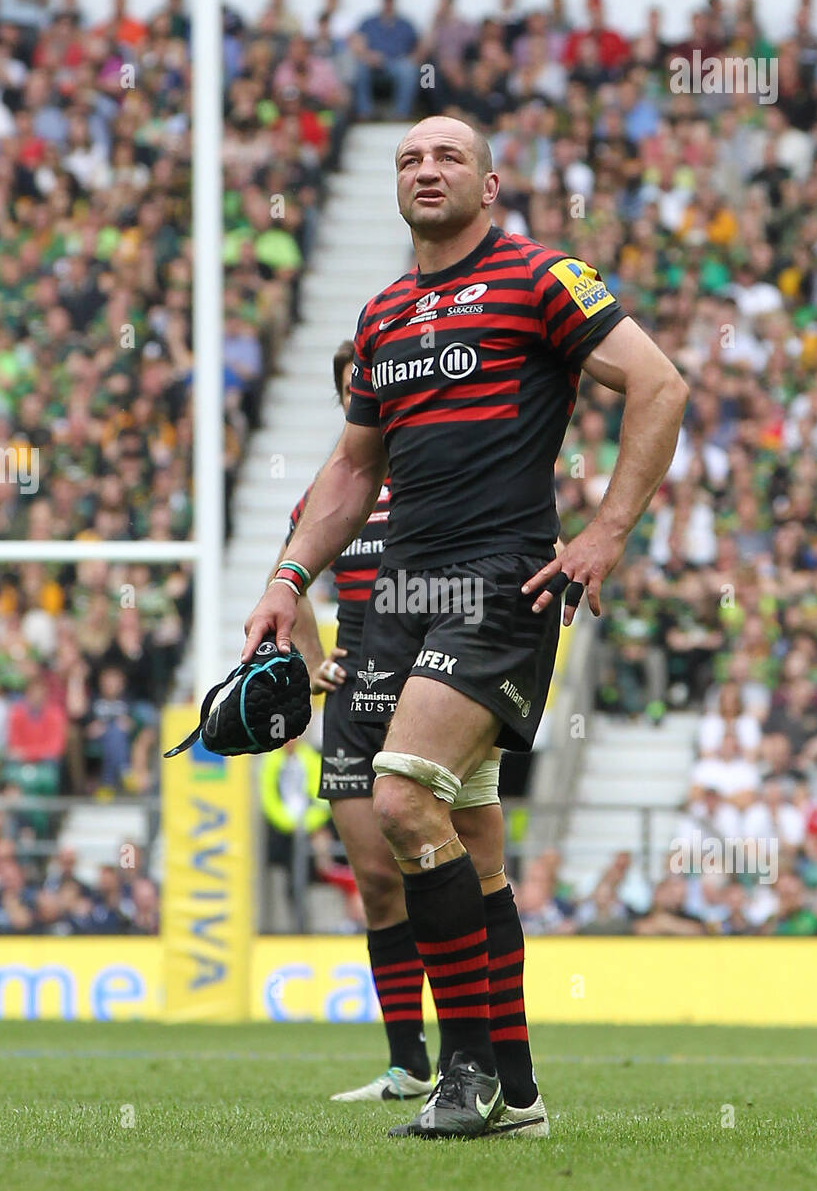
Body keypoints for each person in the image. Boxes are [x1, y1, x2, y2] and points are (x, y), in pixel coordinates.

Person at [243, 114, 687, 1138]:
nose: (426, 169)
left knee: (400, 802)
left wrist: (606, 533)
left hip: (499, 584)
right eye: (409, 158)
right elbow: (353, 472)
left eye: (448, 157)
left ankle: (466, 1074)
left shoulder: (542, 279)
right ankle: (517, 1092)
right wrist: (284, 577)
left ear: (489, 185)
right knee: (472, 851)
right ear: (395, 187)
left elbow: (660, 383)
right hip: (396, 599)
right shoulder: (383, 317)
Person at [282, 340, 547, 1132]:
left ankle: (497, 1077)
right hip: (363, 678)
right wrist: (313, 660)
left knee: (453, 848)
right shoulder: (338, 495)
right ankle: (427, 1065)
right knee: (379, 872)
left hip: (449, 667)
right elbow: (290, 575)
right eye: (353, 398)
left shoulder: (447, 488)